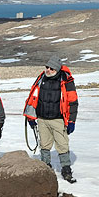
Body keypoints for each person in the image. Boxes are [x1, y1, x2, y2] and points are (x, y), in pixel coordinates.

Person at [23, 55, 79, 183]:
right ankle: (45, 167)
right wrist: (31, 116)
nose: (48, 70)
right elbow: (33, 97)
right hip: (42, 119)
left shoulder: (66, 81)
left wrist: (71, 121)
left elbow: (73, 102)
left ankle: (66, 169)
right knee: (45, 145)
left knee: (62, 145)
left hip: (58, 119)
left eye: (51, 68)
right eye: (47, 67)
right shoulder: (41, 78)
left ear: (57, 69)